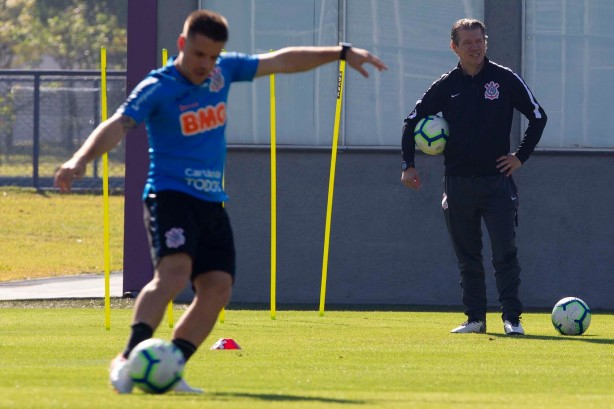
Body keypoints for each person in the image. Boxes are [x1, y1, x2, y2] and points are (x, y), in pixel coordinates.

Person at [54, 9, 387, 394]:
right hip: (170, 194)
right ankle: (127, 360)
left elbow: (280, 60)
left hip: (211, 201)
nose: (205, 64)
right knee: (174, 275)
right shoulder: (158, 87)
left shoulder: (222, 72)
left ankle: (170, 367)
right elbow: (118, 124)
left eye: (213, 56)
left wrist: (341, 53)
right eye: (198, 54)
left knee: (217, 289)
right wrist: (79, 160)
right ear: (182, 45)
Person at [400, 19, 546, 336]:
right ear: (454, 47)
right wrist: (408, 164)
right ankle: (475, 319)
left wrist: (519, 157)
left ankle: (512, 320)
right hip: (457, 183)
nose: (475, 47)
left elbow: (537, 116)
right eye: (467, 43)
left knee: (505, 252)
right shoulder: (445, 85)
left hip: (497, 182)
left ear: (486, 42)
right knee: (468, 256)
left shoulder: (504, 79)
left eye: (479, 41)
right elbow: (411, 122)